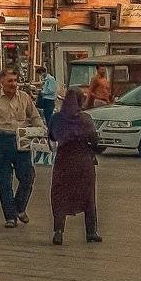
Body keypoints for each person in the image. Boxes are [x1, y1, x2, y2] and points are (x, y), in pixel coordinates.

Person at [0, 69, 45, 228]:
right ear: (2, 82)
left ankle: (19, 208)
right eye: (10, 81)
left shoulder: (24, 97)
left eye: (15, 80)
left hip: (22, 141)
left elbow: (35, 117)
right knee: (4, 181)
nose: (13, 84)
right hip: (2, 141)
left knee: (28, 176)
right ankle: (10, 217)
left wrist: (42, 132)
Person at [47, 87, 102, 245]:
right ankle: (91, 232)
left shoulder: (57, 118)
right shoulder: (85, 119)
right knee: (88, 196)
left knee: (60, 195)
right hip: (83, 162)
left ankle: (59, 231)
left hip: (63, 162)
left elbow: (51, 136)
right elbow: (95, 140)